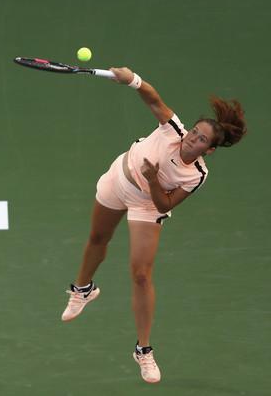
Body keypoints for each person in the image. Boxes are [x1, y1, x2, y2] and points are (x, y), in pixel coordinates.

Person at [61, 67, 247, 383]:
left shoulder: (196, 175)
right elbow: (153, 98)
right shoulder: (171, 130)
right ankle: (82, 289)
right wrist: (132, 79)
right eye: (194, 133)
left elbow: (164, 205)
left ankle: (143, 350)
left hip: (147, 205)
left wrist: (151, 179)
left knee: (141, 275)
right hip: (117, 180)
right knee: (97, 238)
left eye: (202, 140)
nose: (193, 140)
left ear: (210, 150)